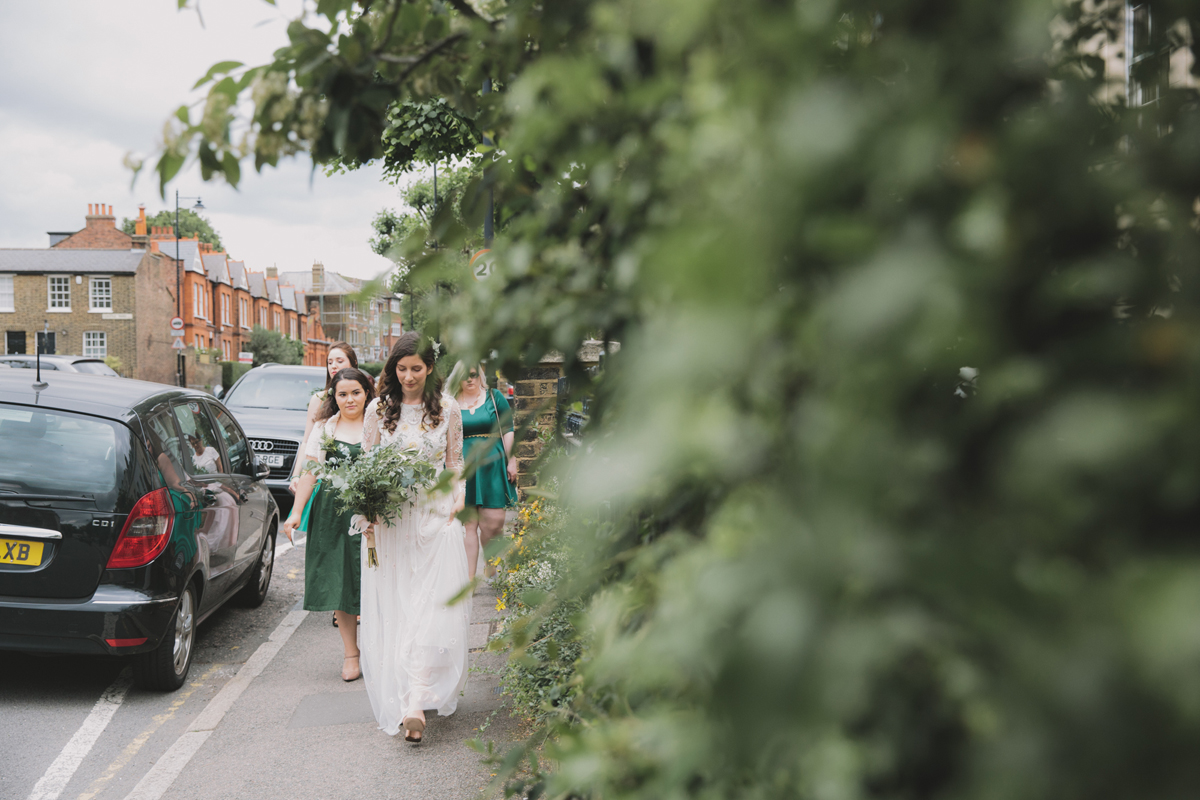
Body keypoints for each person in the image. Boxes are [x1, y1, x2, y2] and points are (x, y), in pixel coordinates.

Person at [358, 332, 468, 743]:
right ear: (392, 369)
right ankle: (409, 699)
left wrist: (459, 499)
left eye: (416, 369)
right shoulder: (377, 410)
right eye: (401, 369)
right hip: (392, 521)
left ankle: (416, 700)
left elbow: (455, 463)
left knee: (430, 606)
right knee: (400, 605)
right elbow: (365, 469)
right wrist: (365, 512)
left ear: (430, 368)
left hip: (434, 517)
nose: (408, 377)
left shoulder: (449, 410)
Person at [283, 367, 374, 682]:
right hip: (331, 515)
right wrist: (296, 513)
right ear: (334, 398)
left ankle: (381, 649)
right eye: (343, 394)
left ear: (367, 393)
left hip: (372, 514)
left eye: (356, 392)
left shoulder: (381, 425)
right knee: (341, 583)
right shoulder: (324, 428)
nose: (350, 399)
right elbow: (310, 472)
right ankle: (352, 653)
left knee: (376, 581)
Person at [447, 361, 518, 583]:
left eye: (473, 374)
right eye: (464, 375)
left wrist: (511, 460)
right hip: (464, 466)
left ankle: (490, 565)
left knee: (494, 522)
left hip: (492, 463)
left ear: (481, 374)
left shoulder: (494, 397)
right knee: (469, 525)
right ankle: (469, 580)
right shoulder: (450, 402)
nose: (469, 379)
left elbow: (507, 429)